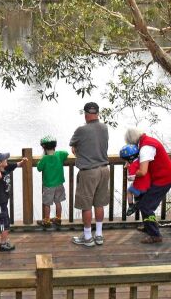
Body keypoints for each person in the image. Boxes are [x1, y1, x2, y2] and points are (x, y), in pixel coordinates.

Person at [124, 127, 171, 244]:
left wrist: (132, 175)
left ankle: (155, 235)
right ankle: (148, 226)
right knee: (143, 201)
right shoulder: (146, 141)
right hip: (159, 177)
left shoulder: (145, 148)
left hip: (164, 178)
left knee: (146, 206)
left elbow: (142, 171)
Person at [69, 102, 109, 247]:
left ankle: (87, 237)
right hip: (104, 170)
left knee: (86, 205)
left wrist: (76, 148)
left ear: (85, 114)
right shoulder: (104, 128)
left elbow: (73, 144)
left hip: (89, 171)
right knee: (99, 203)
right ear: (97, 113)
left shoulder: (81, 130)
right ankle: (98, 235)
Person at [36, 135, 68, 228]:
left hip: (49, 185)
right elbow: (66, 153)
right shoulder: (59, 154)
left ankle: (47, 220)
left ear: (44, 148)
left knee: (47, 203)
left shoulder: (44, 159)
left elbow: (39, 168)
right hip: (59, 184)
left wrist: (41, 158)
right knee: (58, 202)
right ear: (55, 146)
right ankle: (58, 218)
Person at [119, 144, 149, 217]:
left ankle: (131, 206)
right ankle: (138, 201)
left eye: (125, 159)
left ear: (129, 159)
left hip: (140, 188)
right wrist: (128, 164)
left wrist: (128, 172)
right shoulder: (141, 161)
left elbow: (131, 178)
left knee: (129, 191)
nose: (125, 161)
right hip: (148, 185)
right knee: (146, 207)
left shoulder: (132, 165)